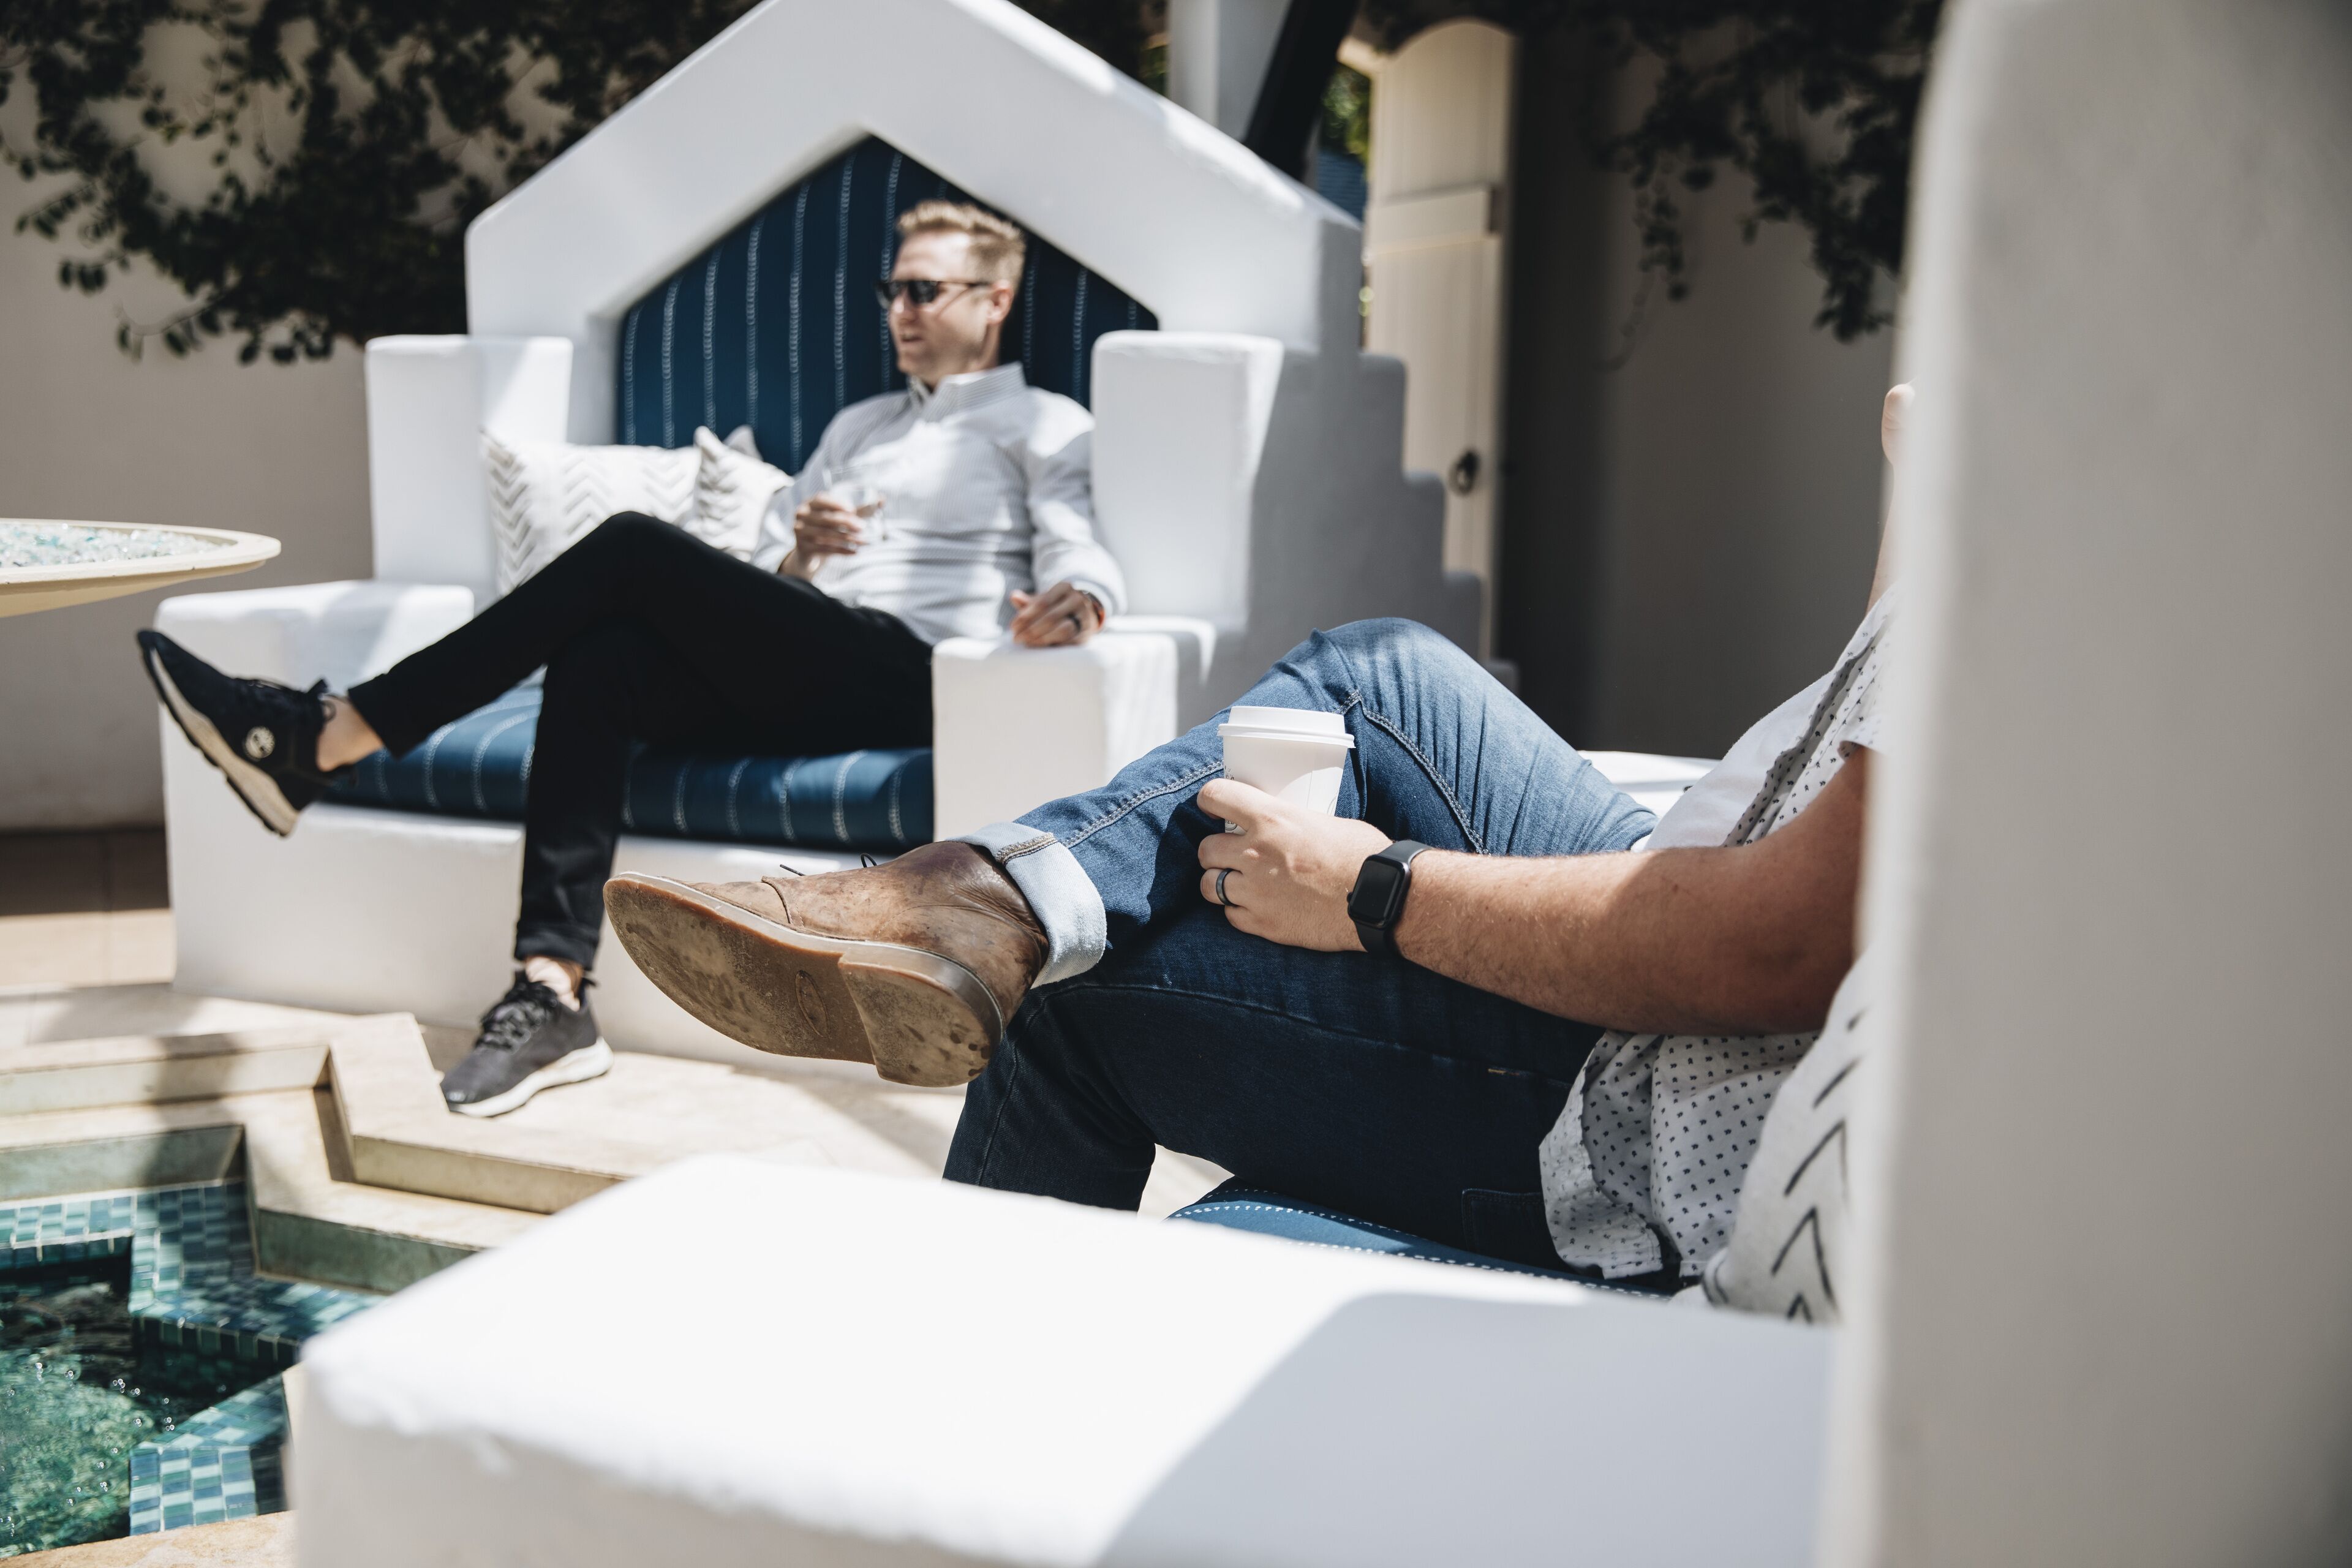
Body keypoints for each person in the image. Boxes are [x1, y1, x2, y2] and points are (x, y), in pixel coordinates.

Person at [599, 388, 1912, 1287]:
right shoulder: (2023, 537)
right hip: (1685, 882)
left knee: (1077, 999)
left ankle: (992, 903)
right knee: (1385, 668)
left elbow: (1781, 944)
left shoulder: (2054, 574)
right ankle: (999, 897)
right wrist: (1928, 490)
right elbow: (1872, 689)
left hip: (1658, 1099)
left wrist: (1377, 888)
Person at [137, 202, 1126, 1120]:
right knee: (603, 657)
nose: (900, 311)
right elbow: (778, 580)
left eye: (924, 291)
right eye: (891, 292)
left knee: (629, 547)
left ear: (994, 301)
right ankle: (551, 988)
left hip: (917, 671)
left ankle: (332, 734)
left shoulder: (1044, 424)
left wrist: (1077, 604)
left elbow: (1078, 544)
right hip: (818, 657)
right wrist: (801, 553)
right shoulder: (856, 428)